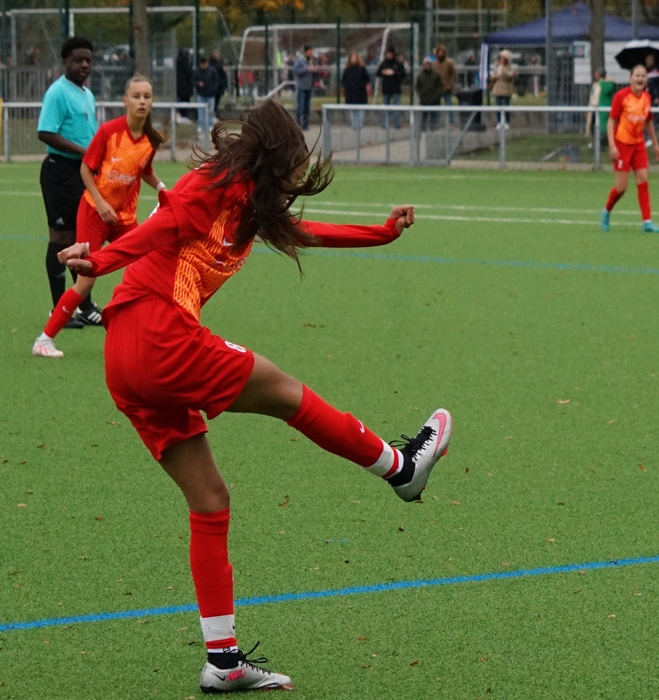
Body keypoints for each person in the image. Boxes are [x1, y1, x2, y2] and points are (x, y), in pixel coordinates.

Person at [57, 99, 453, 694]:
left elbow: (305, 232)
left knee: (210, 500)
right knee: (287, 392)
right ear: (274, 159)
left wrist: (381, 233)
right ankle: (401, 469)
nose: (298, 177)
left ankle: (223, 662)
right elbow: (159, 228)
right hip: (160, 333)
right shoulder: (211, 184)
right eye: (295, 166)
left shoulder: (248, 204)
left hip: (128, 358)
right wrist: (103, 257)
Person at [33, 75, 166, 359]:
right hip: (94, 212)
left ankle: (146, 335)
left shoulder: (151, 139)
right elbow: (86, 168)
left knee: (148, 267)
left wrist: (163, 188)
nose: (142, 101)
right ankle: (44, 340)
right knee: (87, 281)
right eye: (136, 96)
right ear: (125, 101)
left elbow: (144, 170)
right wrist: (102, 202)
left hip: (124, 219)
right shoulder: (108, 132)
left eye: (147, 96)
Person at [37, 36, 101, 331]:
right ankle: (58, 309)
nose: (84, 64)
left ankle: (84, 306)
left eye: (88, 60)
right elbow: (45, 132)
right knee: (61, 238)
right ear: (65, 62)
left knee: (81, 238)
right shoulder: (58, 92)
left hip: (81, 173)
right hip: (59, 172)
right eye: (78, 60)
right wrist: (83, 151)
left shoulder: (86, 94)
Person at [600, 64, 659, 234]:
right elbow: (611, 121)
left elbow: (648, 121)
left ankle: (647, 222)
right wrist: (612, 145)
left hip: (638, 145)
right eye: (637, 75)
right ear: (630, 78)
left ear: (646, 80)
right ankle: (606, 211)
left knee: (643, 180)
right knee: (621, 187)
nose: (640, 78)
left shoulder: (647, 98)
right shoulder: (621, 96)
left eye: (643, 76)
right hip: (622, 144)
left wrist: (655, 144)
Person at [375, 46, 406, 129]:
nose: (388, 55)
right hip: (386, 89)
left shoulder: (398, 64)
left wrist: (394, 73)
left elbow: (403, 74)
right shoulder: (384, 63)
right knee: (385, 109)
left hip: (396, 89)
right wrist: (383, 72)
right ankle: (385, 126)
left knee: (396, 109)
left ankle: (397, 126)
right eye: (387, 54)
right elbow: (378, 73)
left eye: (390, 54)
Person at [340, 52, 371, 130]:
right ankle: (354, 126)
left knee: (360, 111)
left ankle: (359, 126)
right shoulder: (347, 70)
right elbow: (344, 81)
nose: (353, 59)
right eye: (352, 57)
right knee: (352, 111)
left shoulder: (362, 69)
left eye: (354, 57)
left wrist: (365, 88)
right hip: (350, 94)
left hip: (360, 93)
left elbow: (367, 80)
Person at [586, 68, 615, 148]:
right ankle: (595, 141)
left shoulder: (607, 83)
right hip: (593, 108)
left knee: (603, 126)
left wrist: (602, 83)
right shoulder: (596, 84)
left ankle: (604, 143)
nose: (595, 75)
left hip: (602, 108)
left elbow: (606, 91)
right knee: (592, 125)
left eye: (596, 73)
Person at [488, 50, 517, 129]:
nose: (502, 60)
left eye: (503, 58)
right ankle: (499, 122)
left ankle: (506, 122)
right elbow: (493, 76)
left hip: (506, 90)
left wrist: (503, 72)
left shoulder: (509, 68)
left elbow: (509, 76)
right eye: (501, 58)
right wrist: (494, 77)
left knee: (505, 106)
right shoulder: (497, 67)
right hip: (497, 90)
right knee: (498, 107)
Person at [193, 54, 221, 135]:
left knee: (210, 111)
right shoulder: (197, 71)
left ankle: (210, 125)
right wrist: (198, 84)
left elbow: (216, 81)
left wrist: (213, 89)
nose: (204, 66)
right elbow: (193, 81)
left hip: (210, 95)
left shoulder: (212, 71)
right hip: (201, 94)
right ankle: (201, 126)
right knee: (200, 111)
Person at [415, 56, 444, 131]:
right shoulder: (420, 76)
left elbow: (439, 86)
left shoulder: (436, 75)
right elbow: (417, 87)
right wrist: (420, 94)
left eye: (428, 64)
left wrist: (437, 95)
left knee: (433, 116)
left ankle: (433, 130)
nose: (427, 66)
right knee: (424, 116)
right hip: (424, 99)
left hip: (434, 100)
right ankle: (423, 130)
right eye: (425, 64)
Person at [291, 46, 315, 130]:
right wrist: (306, 69)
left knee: (307, 107)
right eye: (310, 51)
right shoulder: (300, 60)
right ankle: (298, 124)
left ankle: (305, 125)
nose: (311, 53)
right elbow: (295, 71)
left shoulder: (311, 61)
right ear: (306, 52)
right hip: (301, 87)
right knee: (300, 106)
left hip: (309, 86)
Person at [432, 45, 457, 125]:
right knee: (436, 107)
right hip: (436, 89)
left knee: (449, 105)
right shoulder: (434, 64)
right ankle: (436, 123)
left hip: (446, 88)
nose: (440, 54)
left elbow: (453, 75)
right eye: (439, 52)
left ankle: (451, 122)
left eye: (442, 52)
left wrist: (450, 85)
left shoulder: (449, 64)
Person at [176, 48, 195, 123]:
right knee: (185, 101)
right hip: (185, 88)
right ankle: (184, 116)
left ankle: (180, 115)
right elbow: (190, 74)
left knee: (180, 100)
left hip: (179, 87)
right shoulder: (186, 64)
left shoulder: (177, 63)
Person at [209, 50, 229, 117]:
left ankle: (214, 113)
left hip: (218, 86)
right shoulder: (212, 64)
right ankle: (212, 114)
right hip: (213, 86)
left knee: (216, 101)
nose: (218, 55)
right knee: (212, 101)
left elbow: (223, 75)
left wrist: (222, 83)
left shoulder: (219, 64)